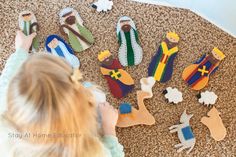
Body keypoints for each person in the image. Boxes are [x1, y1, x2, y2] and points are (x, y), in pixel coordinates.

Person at [0, 31, 124, 157]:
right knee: (97, 98)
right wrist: (108, 127)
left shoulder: (4, 105)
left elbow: (7, 79)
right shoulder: (86, 151)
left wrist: (21, 49)